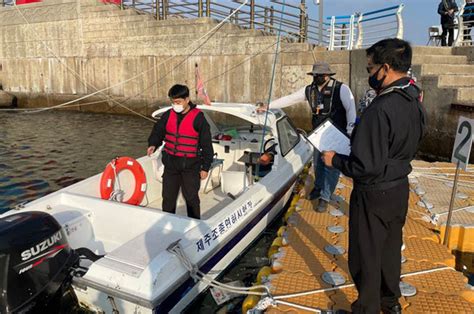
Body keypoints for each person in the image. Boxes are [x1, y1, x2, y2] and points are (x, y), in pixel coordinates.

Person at [321, 38, 426, 314]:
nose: (369, 74)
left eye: (371, 69)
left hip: (373, 193)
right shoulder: (414, 99)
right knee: (390, 251)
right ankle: (389, 303)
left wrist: (335, 160)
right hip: (399, 188)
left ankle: (366, 308)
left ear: (386, 68)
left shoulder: (379, 109)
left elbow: (364, 166)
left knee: (365, 255)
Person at [264, 61, 356, 211]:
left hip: (335, 133)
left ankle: (325, 197)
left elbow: (351, 109)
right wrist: (268, 105)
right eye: (314, 75)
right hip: (318, 133)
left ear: (327, 75)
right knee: (318, 163)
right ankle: (318, 188)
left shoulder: (341, 89)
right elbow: (290, 99)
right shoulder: (309, 90)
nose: (316, 77)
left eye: (319, 75)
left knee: (331, 166)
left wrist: (350, 129)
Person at [147, 84, 214, 219]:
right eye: (173, 102)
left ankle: (194, 222)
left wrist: (205, 167)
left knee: (191, 198)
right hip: (171, 164)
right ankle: (168, 222)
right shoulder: (168, 115)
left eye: (178, 102)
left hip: (191, 165)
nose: (175, 105)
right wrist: (153, 144)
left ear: (187, 100)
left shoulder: (198, 118)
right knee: (168, 197)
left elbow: (207, 145)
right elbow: (158, 131)